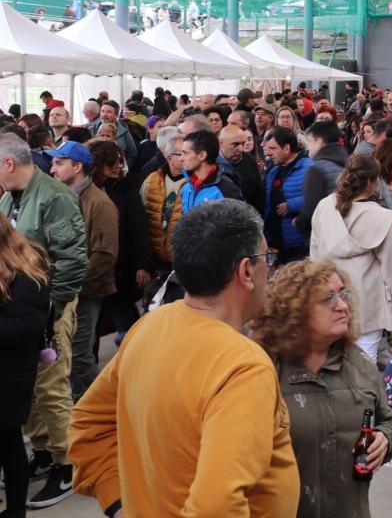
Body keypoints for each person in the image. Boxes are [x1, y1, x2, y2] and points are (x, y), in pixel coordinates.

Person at [70, 200, 298, 515]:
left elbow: (87, 426)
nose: (268, 270)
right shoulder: (242, 365)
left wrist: (119, 504)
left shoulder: (150, 326)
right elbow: (216, 506)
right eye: (265, 259)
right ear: (246, 270)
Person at [250, 259, 392, 518]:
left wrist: (385, 439)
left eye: (343, 295)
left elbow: (387, 421)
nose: (342, 306)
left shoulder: (361, 366)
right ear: (296, 309)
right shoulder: (264, 369)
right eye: (328, 298)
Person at [0, 133, 87, 508]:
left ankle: (68, 464)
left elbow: (72, 259)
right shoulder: (9, 196)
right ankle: (43, 450)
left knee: (51, 386)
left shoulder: (54, 196)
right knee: (27, 389)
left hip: (48, 307)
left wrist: (48, 308)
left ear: (8, 163)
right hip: (20, 303)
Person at [310, 155, 392, 363]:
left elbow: (315, 255)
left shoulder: (324, 207)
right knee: (365, 364)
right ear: (372, 182)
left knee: (334, 361)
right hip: (368, 302)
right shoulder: (381, 218)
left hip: (332, 298)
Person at [46, 142, 118, 402]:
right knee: (67, 355)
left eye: (59, 163)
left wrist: (71, 283)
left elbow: (105, 256)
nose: (52, 169)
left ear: (77, 167)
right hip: (66, 290)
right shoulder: (62, 196)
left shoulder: (99, 203)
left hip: (85, 292)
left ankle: (97, 411)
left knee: (79, 356)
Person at [0, 210, 51, 518]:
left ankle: (16, 510)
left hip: (10, 374)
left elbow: (26, 328)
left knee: (9, 441)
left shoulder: (27, 272)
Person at [261, 126, 312, 265]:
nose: (268, 153)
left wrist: (291, 205)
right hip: (274, 242)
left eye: (273, 148)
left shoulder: (309, 168)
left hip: (298, 243)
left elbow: (318, 197)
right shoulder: (273, 170)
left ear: (287, 148)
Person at [139, 125, 184, 272]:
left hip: (181, 258)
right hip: (154, 257)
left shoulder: (195, 184)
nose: (186, 157)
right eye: (181, 153)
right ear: (169, 157)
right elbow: (140, 219)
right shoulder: (152, 179)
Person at [294, 120, 348, 235]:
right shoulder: (349, 163)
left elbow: (311, 213)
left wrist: (298, 222)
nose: (308, 147)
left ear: (319, 141)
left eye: (310, 141)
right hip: (347, 232)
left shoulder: (316, 170)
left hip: (325, 236)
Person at [179, 129, 243, 214]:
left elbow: (238, 224)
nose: (181, 158)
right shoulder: (186, 188)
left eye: (185, 153)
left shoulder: (226, 190)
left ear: (202, 155)